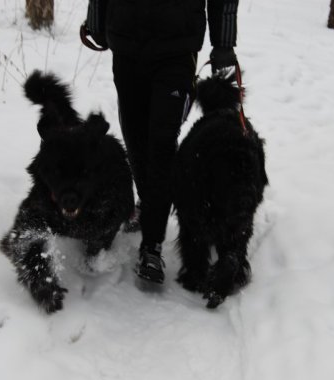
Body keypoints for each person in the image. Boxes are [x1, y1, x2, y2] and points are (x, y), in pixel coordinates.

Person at [82, 0, 240, 287]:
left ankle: (151, 245)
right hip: (126, 41)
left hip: (177, 48)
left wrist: (224, 44)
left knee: (161, 143)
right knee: (136, 140)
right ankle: (151, 204)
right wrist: (97, 20)